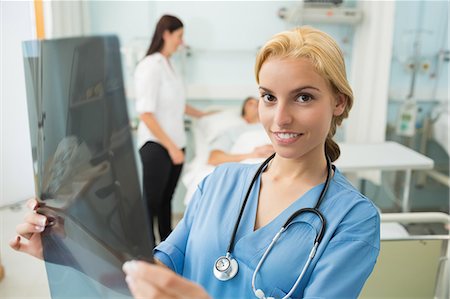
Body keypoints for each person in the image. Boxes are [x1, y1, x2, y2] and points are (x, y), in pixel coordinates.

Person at [11, 26, 380, 299]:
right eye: (269, 97)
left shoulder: (352, 220)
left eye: (303, 97)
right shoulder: (220, 182)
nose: (280, 118)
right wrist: (70, 248)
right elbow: (156, 271)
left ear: (339, 102)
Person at [134, 15, 208, 243]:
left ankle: (166, 244)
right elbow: (146, 113)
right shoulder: (151, 66)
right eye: (179, 36)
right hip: (157, 145)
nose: (181, 41)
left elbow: (177, 104)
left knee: (166, 199)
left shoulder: (169, 65)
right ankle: (146, 250)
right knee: (151, 202)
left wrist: (205, 115)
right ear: (166, 34)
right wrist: (171, 148)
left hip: (175, 144)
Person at [207, 96, 274, 165]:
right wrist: (253, 155)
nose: (257, 104)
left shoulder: (276, 126)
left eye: (259, 102)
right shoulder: (233, 131)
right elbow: (214, 158)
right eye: (250, 103)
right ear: (244, 116)